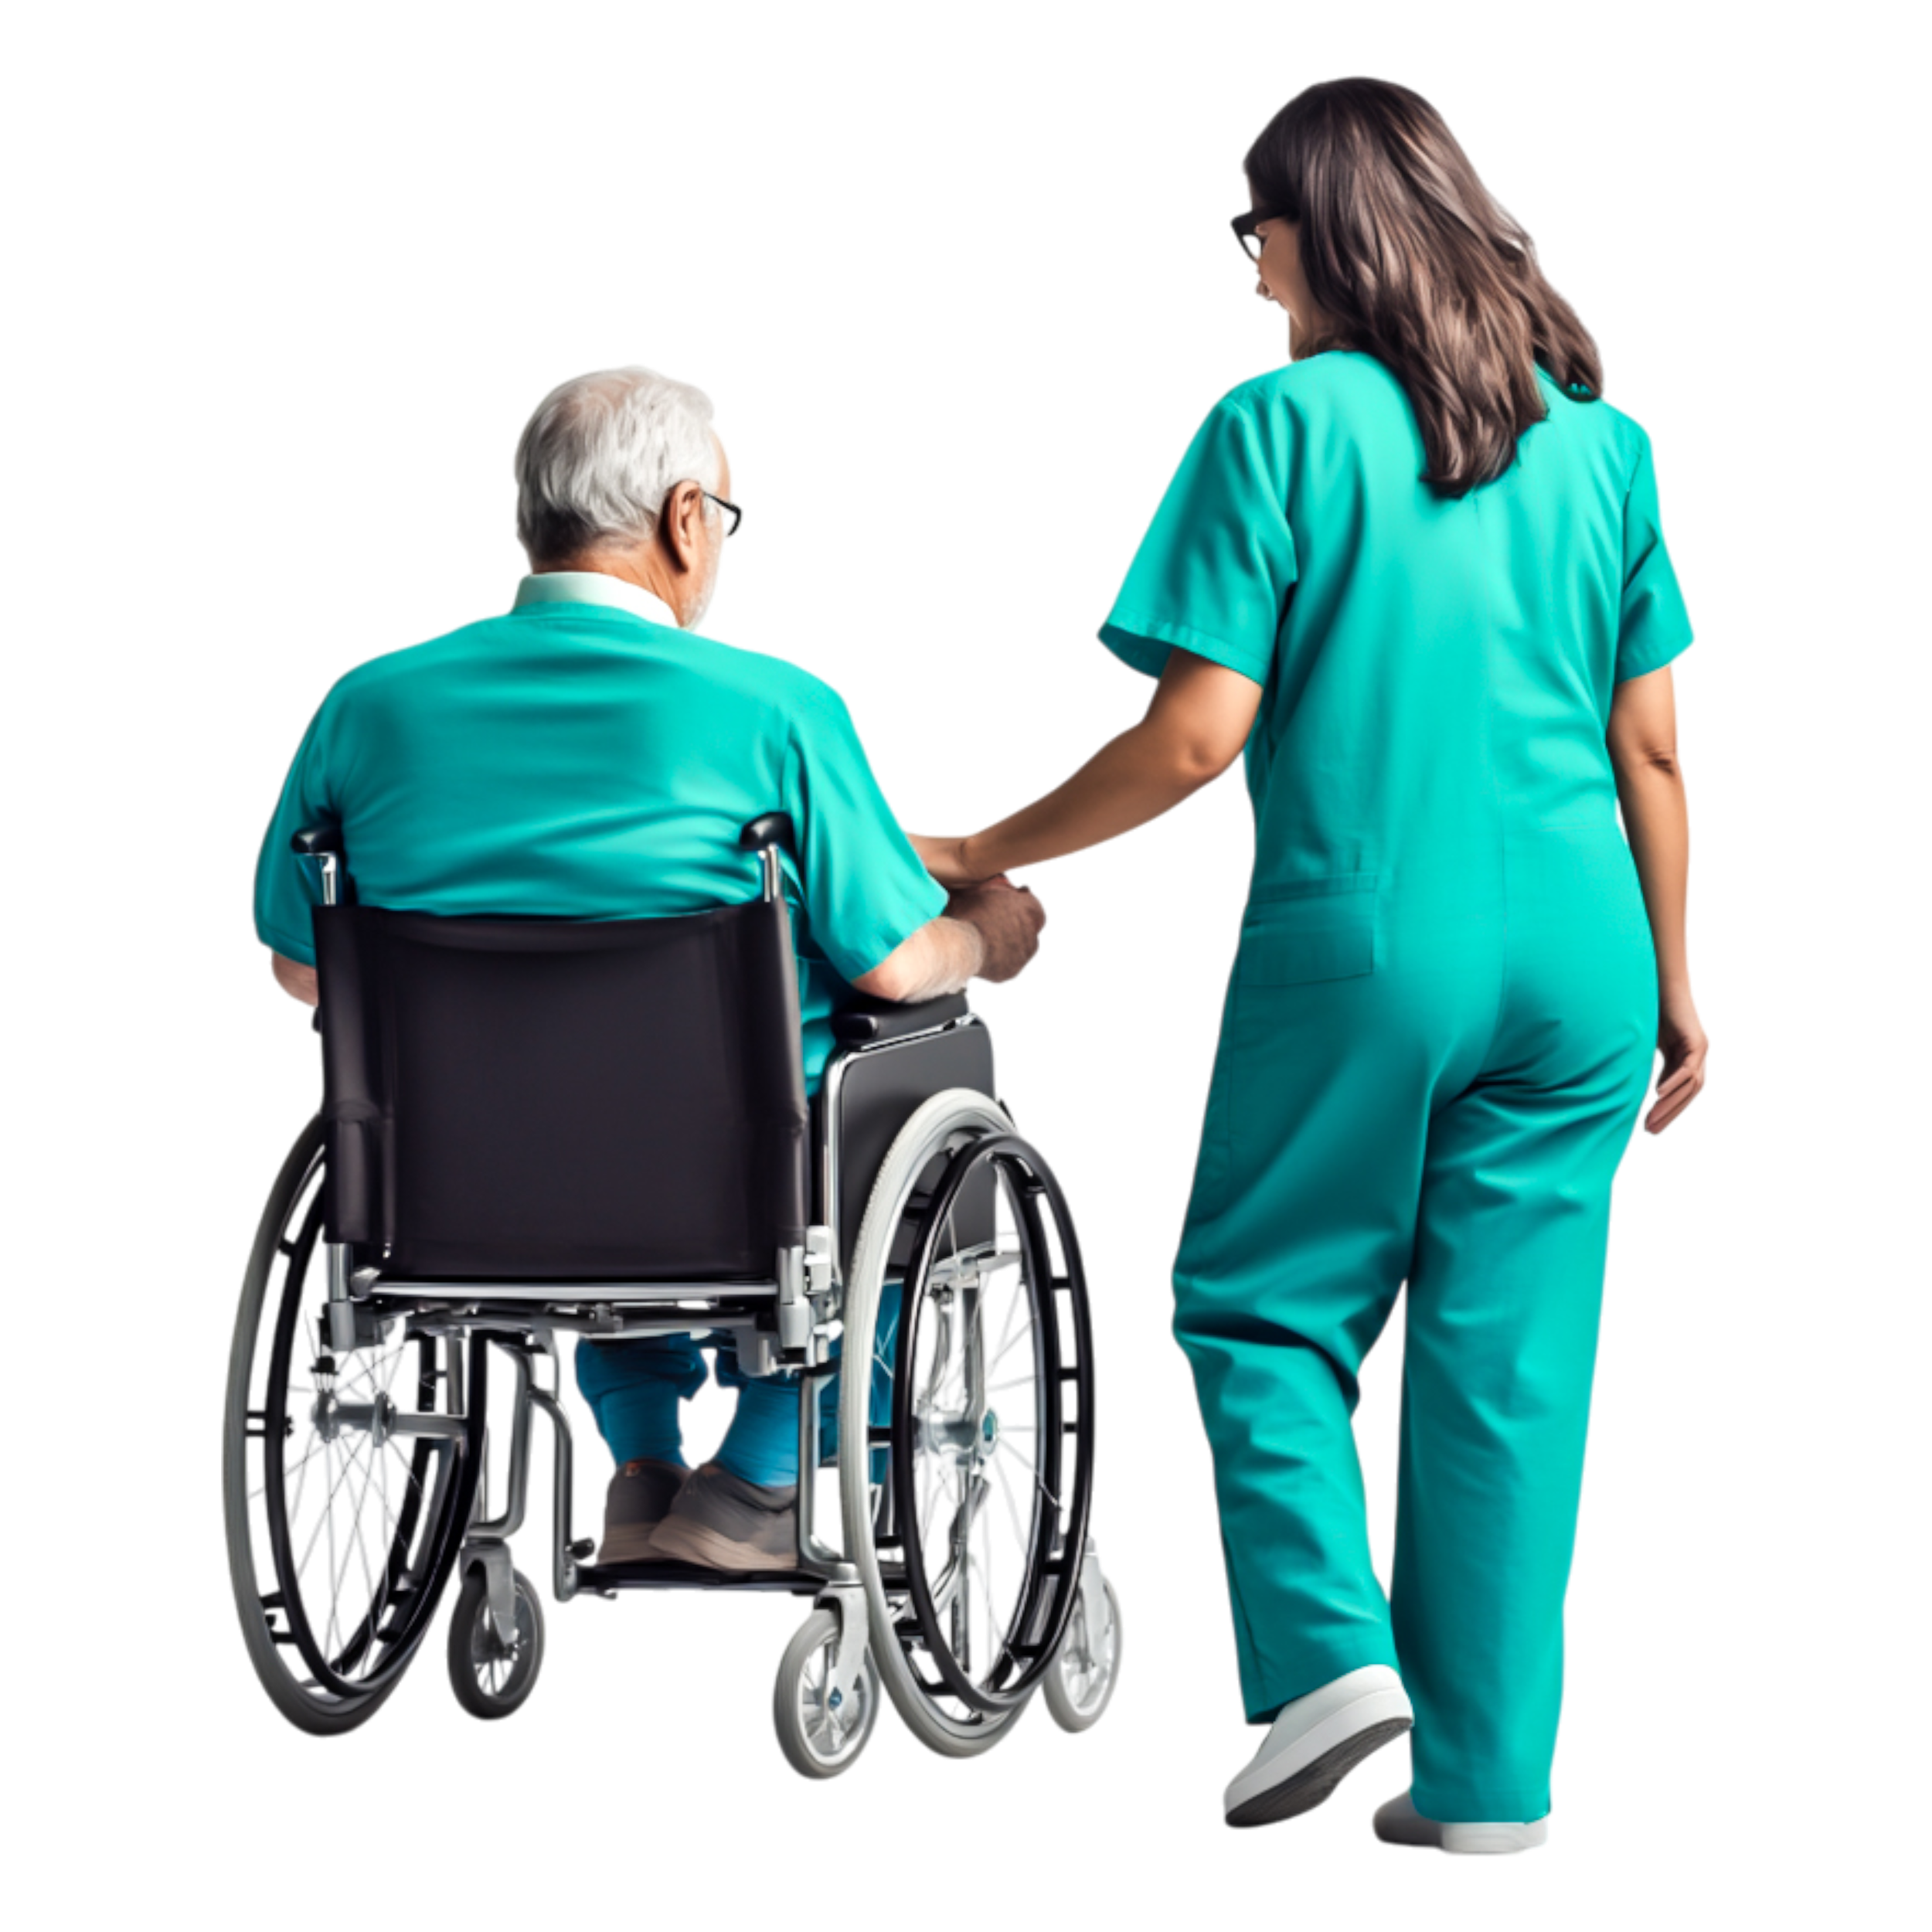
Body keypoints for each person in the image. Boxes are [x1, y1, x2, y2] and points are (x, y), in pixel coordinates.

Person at [253, 74, 1707, 1855]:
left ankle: (1328, 1660)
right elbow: (1650, 749)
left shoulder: (1276, 428)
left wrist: (989, 845)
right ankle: (1488, 1794)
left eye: (1253, 226)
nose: (1248, 265)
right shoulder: (1603, 445)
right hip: (1585, 949)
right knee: (1513, 1367)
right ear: (693, 522)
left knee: (1259, 1303)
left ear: (1322, 227)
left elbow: (1186, 746)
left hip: (1371, 926)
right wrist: (1679, 977)